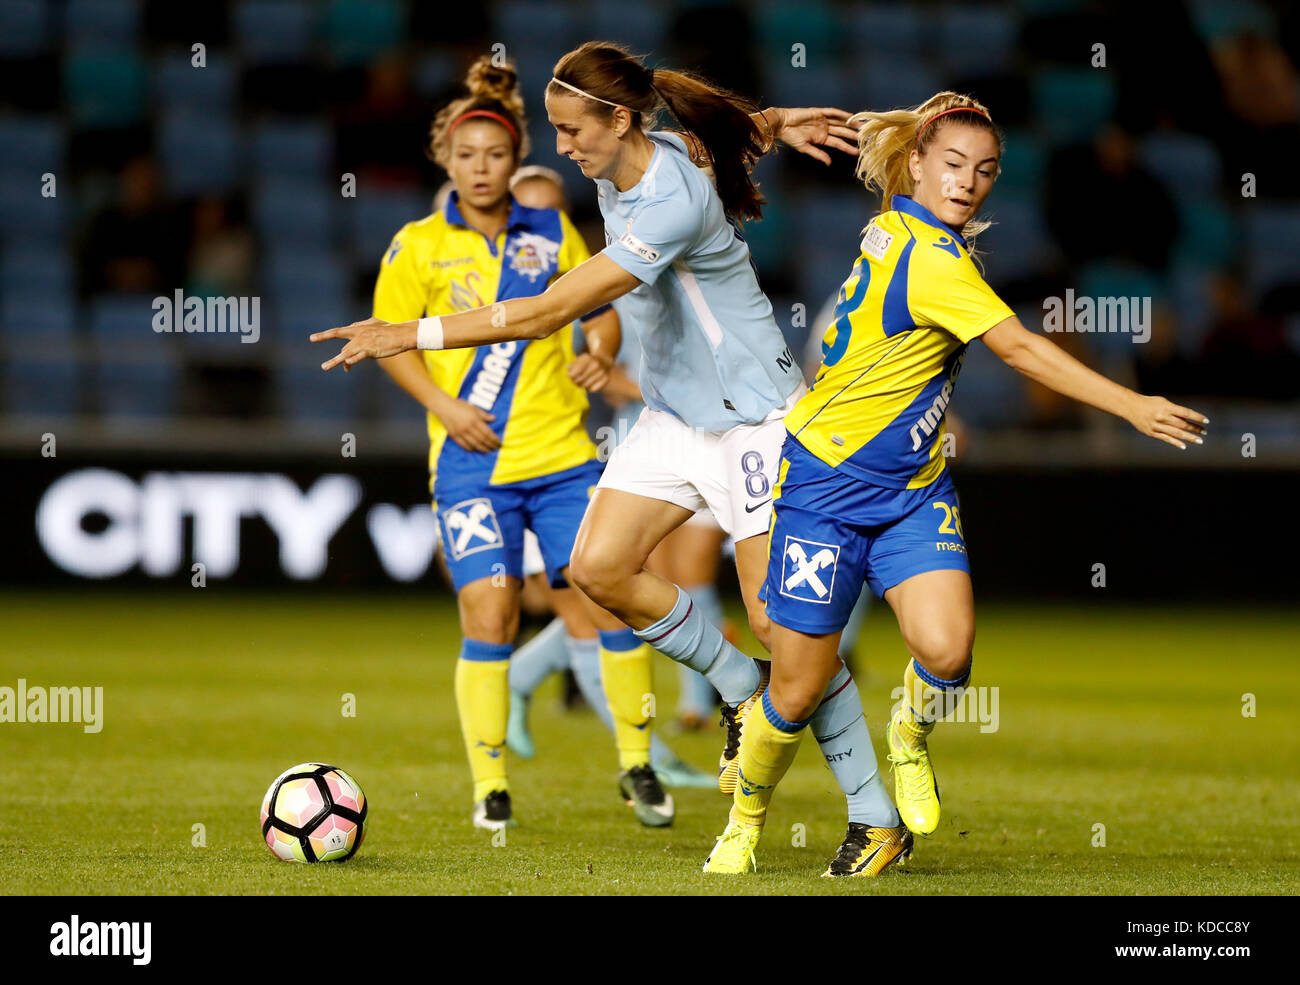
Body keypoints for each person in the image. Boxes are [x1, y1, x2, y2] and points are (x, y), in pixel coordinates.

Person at [311, 43, 889, 838]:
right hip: (673, 416)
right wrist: (778, 121)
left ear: (620, 120)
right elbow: (727, 132)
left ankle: (873, 810)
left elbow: (549, 310)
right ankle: (738, 685)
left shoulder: (670, 203)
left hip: (755, 418)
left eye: (572, 129)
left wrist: (405, 332)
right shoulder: (657, 150)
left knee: (782, 627)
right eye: (552, 128)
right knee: (595, 569)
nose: (560, 147)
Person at [702, 92, 1209, 877]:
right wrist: (1129, 402)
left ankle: (907, 733)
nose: (970, 181)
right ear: (916, 166)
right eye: (953, 164)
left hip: (912, 489)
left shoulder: (911, 228)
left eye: (985, 169)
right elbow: (1020, 351)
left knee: (948, 650)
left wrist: (909, 122)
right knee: (795, 693)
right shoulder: (931, 257)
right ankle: (745, 817)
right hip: (825, 487)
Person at [369, 55, 678, 832]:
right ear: (444, 158)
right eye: (466, 155)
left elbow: (599, 305)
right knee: (490, 615)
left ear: (516, 161)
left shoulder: (551, 228)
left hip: (562, 459)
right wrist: (444, 405)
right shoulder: (415, 247)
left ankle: (637, 761)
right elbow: (393, 343)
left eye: (496, 155)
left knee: (609, 597)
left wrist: (601, 349)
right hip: (469, 463)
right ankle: (491, 783)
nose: (481, 168)